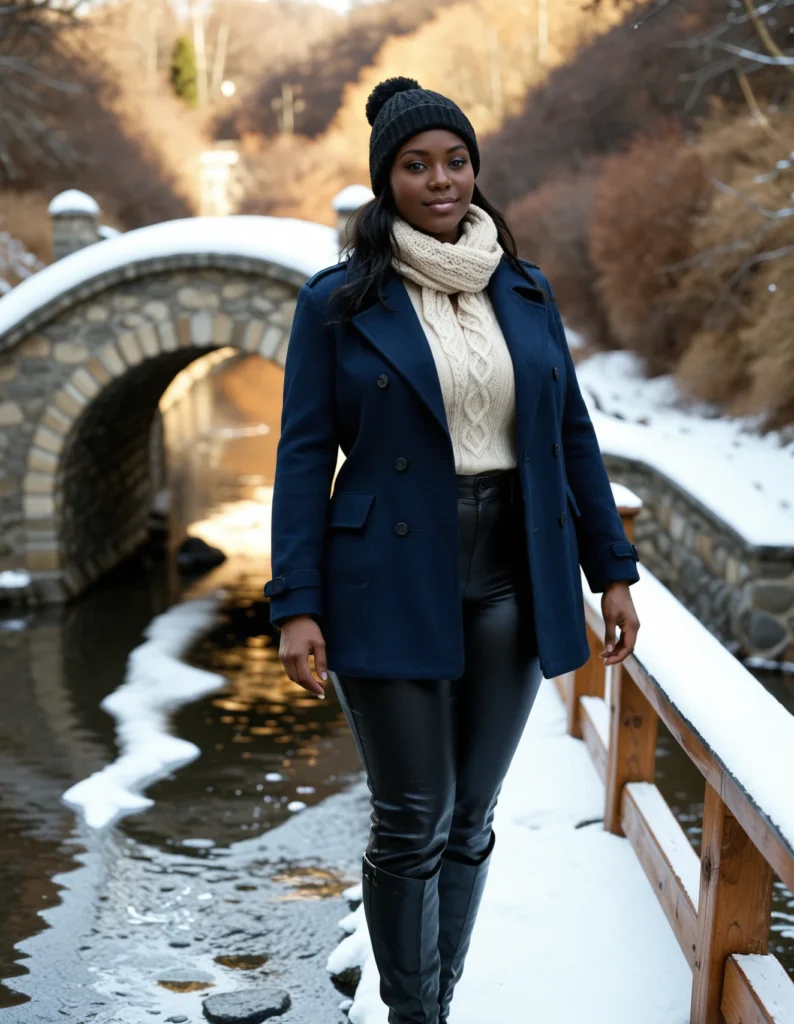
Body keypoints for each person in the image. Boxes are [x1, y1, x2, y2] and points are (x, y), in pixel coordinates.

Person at [264, 76, 641, 1024]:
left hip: (513, 572)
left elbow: (571, 439)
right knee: (411, 820)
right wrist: (294, 602)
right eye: (417, 165)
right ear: (385, 180)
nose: (441, 180)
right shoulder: (341, 302)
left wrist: (614, 572)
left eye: (456, 160)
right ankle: (414, 1015)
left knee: (470, 818)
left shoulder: (525, 289)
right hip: (386, 580)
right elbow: (305, 458)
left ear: (476, 167)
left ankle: (437, 999)